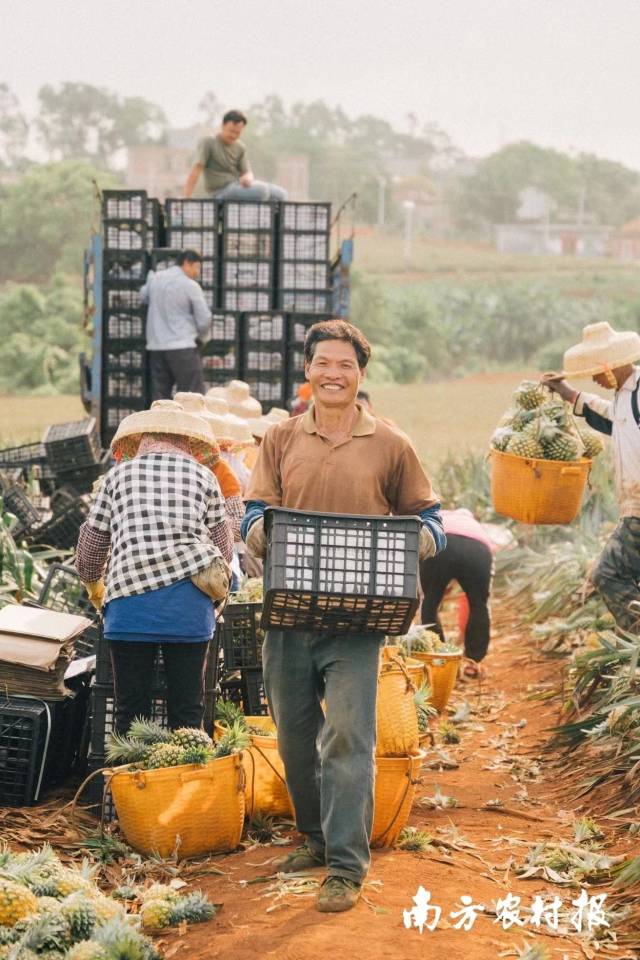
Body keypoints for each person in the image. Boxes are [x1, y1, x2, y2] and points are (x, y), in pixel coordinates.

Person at [240, 319, 445, 913]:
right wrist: (260, 532)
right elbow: (256, 510)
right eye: (323, 363)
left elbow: (427, 518)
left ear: (360, 374)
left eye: (346, 366)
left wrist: (415, 545)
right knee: (296, 735)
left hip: (359, 619)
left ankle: (347, 866)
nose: (334, 374)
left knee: (350, 737)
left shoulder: (391, 443)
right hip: (290, 614)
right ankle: (313, 837)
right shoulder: (279, 439)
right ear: (307, 370)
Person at [75, 408, 233, 734]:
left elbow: (90, 554)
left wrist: (96, 589)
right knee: (187, 713)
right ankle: (179, 783)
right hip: (189, 611)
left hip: (128, 610)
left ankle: (128, 782)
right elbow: (225, 550)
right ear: (187, 442)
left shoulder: (117, 477)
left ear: (141, 440)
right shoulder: (204, 477)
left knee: (130, 714)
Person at [543, 321, 640, 633]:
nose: (595, 379)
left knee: (608, 574)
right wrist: (567, 393)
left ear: (609, 365)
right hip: (633, 510)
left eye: (596, 372)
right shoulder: (625, 397)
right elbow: (610, 417)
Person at [420, 508, 494, 679]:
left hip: (440, 543)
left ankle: (438, 657)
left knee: (429, 604)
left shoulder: (438, 517)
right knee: (479, 605)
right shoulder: (477, 528)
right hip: (477, 549)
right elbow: (482, 600)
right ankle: (472, 662)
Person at [142, 250, 210, 400]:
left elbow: (143, 296)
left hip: (157, 347)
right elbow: (204, 318)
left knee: (160, 399)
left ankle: (158, 423)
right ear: (187, 263)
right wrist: (202, 338)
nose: (197, 272)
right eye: (196, 267)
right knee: (192, 397)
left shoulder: (156, 279)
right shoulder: (190, 285)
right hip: (183, 347)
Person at [184, 109, 287, 202]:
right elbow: (197, 169)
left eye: (237, 133)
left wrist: (247, 178)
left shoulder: (240, 147)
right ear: (223, 126)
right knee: (262, 191)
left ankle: (273, 222)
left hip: (238, 185)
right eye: (231, 131)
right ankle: (256, 221)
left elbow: (247, 172)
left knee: (281, 194)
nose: (234, 135)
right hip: (221, 191)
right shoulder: (208, 142)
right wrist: (187, 196)